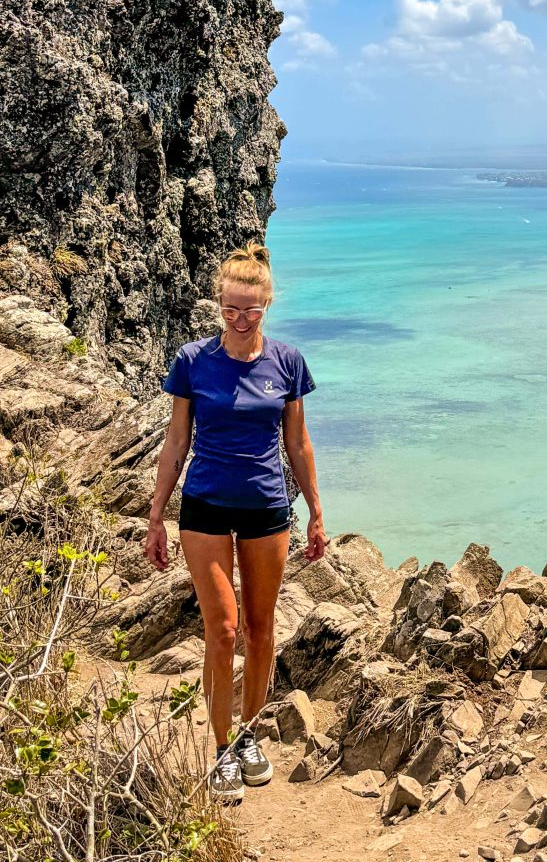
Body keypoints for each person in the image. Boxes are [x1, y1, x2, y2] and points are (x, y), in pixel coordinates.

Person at [145, 240, 328, 803]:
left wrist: (317, 512)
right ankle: (222, 748)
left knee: (261, 629)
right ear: (218, 304)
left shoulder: (288, 362)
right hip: (203, 507)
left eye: (250, 309)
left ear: (267, 306)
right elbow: (177, 441)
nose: (240, 318)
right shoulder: (192, 361)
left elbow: (296, 443)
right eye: (230, 308)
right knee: (222, 630)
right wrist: (156, 515)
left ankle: (250, 736)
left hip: (269, 509)